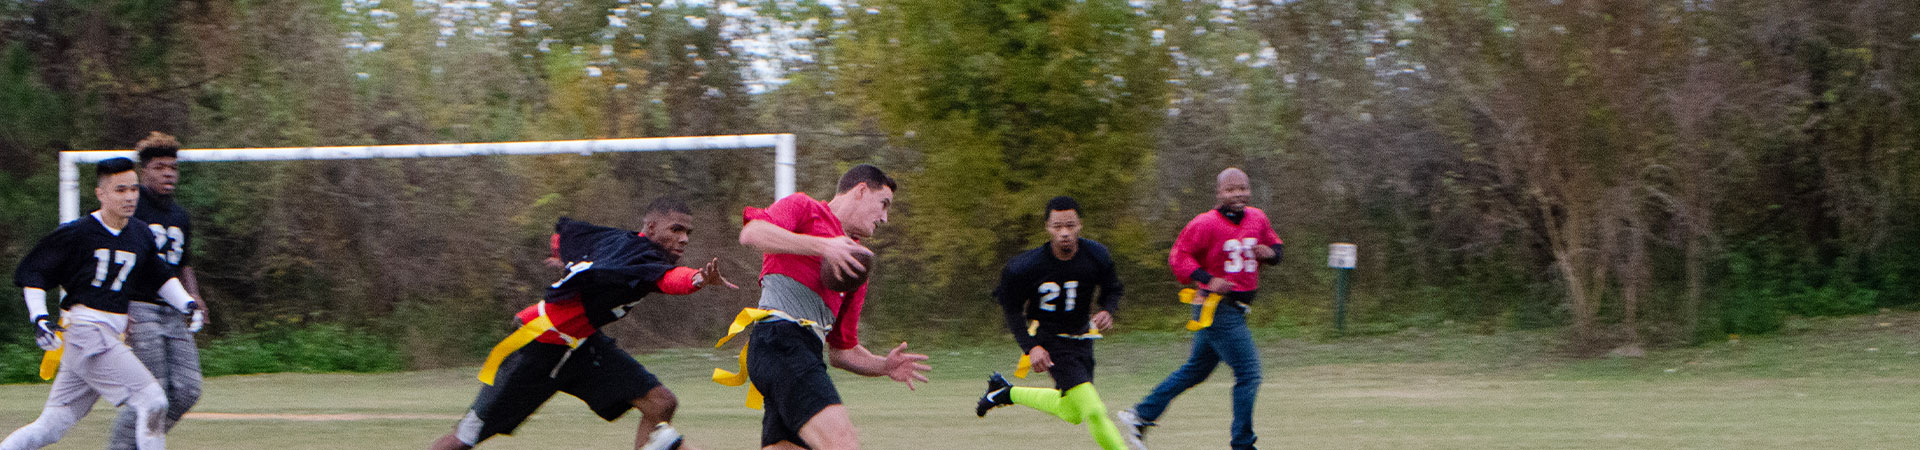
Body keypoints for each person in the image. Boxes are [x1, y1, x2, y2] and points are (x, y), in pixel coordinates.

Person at [428, 198, 738, 450]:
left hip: (582, 346)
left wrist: (559, 254)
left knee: (661, 403)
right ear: (652, 226)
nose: (683, 238)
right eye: (677, 229)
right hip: (537, 346)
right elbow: (671, 280)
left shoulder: (627, 248)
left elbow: (566, 234)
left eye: (688, 232)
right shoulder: (636, 255)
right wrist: (697, 278)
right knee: (464, 439)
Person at [4, 157, 202, 450]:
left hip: (106, 336)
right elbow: (33, 271)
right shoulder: (79, 232)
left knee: (50, 427)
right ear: (101, 194)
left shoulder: (139, 233)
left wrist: (187, 303)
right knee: (154, 400)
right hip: (87, 331)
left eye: (133, 189)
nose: (130, 196)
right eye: (120, 190)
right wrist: (39, 318)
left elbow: (160, 276)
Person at [728, 164, 930, 450]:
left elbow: (842, 351)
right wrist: (824, 246)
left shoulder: (857, 265)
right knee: (842, 444)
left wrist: (883, 365)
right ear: (861, 190)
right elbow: (752, 233)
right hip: (779, 342)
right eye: (883, 204)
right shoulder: (804, 207)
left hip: (802, 353)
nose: (885, 218)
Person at [1117, 168, 1283, 450]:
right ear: (1219, 193)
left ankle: (1141, 414)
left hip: (1238, 307)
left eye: (1242, 187)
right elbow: (1178, 257)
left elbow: (1276, 246)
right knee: (1249, 372)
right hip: (1218, 308)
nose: (1238, 193)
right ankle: (1243, 444)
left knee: (1196, 370)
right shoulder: (1205, 223)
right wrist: (1208, 279)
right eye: (1230, 189)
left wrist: (1271, 254)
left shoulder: (1257, 217)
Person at [974, 196, 1127, 450]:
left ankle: (1005, 393)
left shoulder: (1096, 255)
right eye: (1057, 226)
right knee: (1094, 410)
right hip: (1050, 341)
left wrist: (1107, 310)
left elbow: (1113, 288)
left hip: (1082, 340)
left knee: (1072, 412)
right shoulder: (1027, 266)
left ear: (1080, 225)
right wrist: (1031, 346)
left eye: (1070, 225)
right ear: (1047, 227)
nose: (1064, 233)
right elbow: (1011, 309)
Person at [109, 132, 209, 450]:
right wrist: (118, 307)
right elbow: (117, 260)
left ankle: (139, 441)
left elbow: (184, 262)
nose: (169, 173)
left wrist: (195, 296)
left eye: (173, 168)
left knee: (188, 389)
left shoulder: (179, 215)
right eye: (161, 167)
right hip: (140, 306)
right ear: (144, 171)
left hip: (174, 309)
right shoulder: (132, 210)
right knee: (153, 392)